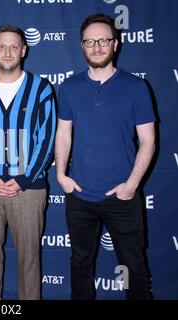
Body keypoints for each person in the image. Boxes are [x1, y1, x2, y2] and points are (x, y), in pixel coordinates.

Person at [55, 13, 155, 300]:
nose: (96, 47)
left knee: (135, 269)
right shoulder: (70, 87)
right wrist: (61, 175)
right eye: (89, 41)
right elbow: (63, 134)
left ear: (116, 43)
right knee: (80, 266)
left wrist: (131, 185)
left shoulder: (137, 87)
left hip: (123, 197)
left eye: (103, 40)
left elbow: (148, 140)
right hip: (80, 196)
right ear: (82, 46)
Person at [0, 25, 56, 300]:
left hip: (29, 188)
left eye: (14, 46)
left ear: (24, 51)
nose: (8, 52)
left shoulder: (40, 89)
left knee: (29, 256)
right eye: (2, 46)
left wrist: (25, 178)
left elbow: (47, 138)